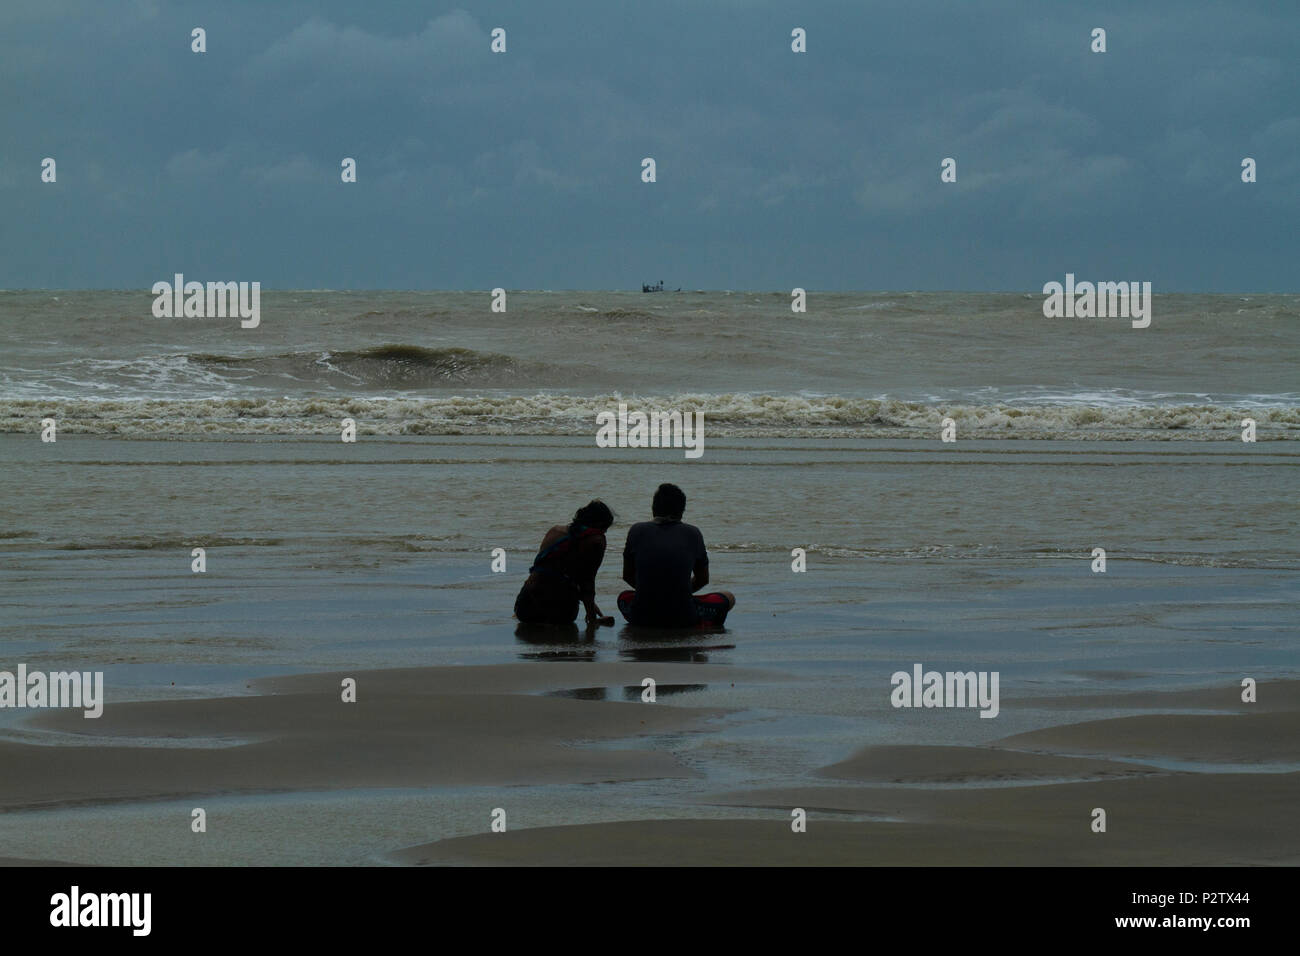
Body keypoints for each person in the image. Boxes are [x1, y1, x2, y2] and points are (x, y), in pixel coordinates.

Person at [618, 483, 735, 627]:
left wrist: (655, 591)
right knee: (729, 597)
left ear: (654, 508)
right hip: (683, 617)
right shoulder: (693, 533)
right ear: (681, 511)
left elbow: (627, 576)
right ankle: (704, 619)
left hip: (642, 616)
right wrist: (677, 591)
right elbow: (703, 579)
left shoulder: (636, 530)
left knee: (623, 597)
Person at [514, 501, 616, 626]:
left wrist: (590, 604)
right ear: (600, 525)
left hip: (525, 609)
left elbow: (549, 572)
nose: (604, 533)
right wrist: (592, 618)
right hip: (560, 614)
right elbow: (587, 582)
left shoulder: (555, 530)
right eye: (605, 529)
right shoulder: (596, 540)